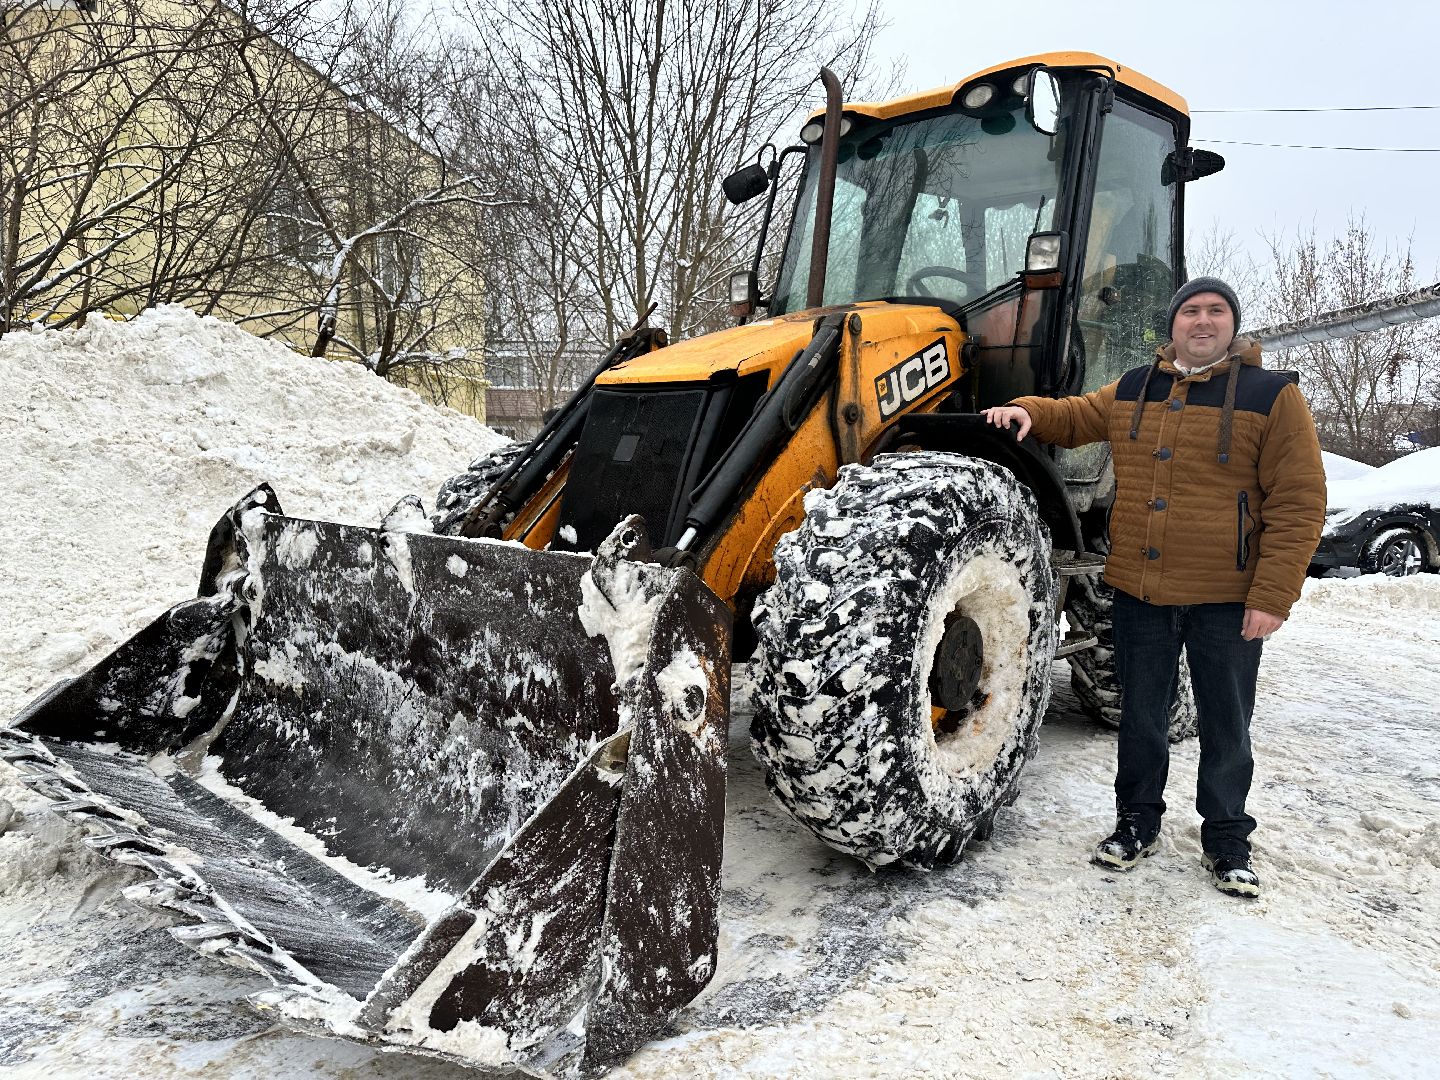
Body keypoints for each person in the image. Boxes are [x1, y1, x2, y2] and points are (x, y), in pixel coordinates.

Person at [982, 276, 1325, 898]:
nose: (1202, 321)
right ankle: (1136, 821)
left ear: (1232, 324)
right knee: (1141, 717)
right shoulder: (1139, 386)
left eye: (1215, 311)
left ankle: (1226, 839)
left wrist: (1272, 597)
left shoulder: (1271, 395)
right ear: (1172, 326)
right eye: (1190, 311)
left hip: (1225, 596)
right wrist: (1027, 409)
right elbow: (1077, 415)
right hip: (1141, 590)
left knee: (1227, 723)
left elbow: (1300, 503)